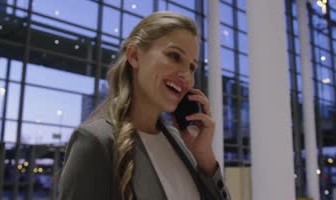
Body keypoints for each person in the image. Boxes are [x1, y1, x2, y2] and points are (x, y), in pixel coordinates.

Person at [57, 11, 231, 200]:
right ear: (134, 56)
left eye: (191, 67)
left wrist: (205, 158)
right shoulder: (96, 142)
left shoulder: (179, 141)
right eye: (174, 56)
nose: (186, 76)